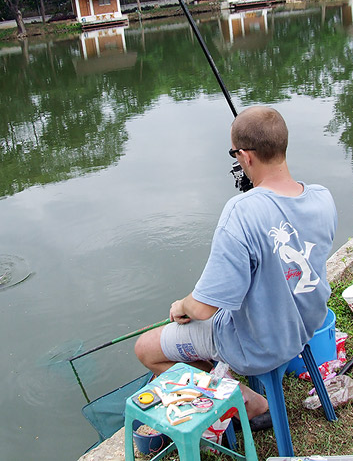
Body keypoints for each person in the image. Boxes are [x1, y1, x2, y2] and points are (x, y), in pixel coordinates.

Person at [134, 105, 337, 428]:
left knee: (146, 349)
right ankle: (228, 387)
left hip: (256, 344)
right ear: (282, 146)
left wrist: (181, 305)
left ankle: (251, 401)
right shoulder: (322, 198)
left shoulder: (241, 212)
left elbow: (203, 309)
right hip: (304, 327)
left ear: (245, 156)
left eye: (235, 154)